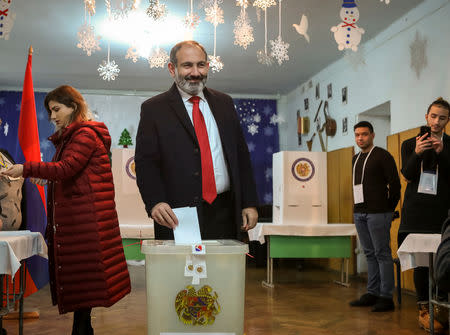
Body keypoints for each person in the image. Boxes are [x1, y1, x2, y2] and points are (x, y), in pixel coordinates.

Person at [1, 85, 131, 335]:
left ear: (74, 106)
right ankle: (83, 329)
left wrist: (27, 169)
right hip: (83, 220)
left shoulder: (84, 134)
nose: (52, 117)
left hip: (85, 222)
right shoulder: (76, 136)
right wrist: (47, 176)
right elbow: (70, 172)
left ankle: (82, 330)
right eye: (50, 111)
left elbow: (66, 168)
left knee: (84, 283)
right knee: (84, 284)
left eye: (57, 109)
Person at [135, 40, 259, 240]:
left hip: (226, 211)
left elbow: (241, 157)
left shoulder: (225, 103)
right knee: (181, 271)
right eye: (187, 65)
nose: (195, 72)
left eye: (200, 64)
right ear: (171, 69)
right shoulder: (153, 109)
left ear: (207, 66)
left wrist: (249, 202)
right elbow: (145, 163)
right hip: (177, 214)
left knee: (223, 271)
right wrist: (155, 201)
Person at [399, 97, 450, 333]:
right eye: (433, 116)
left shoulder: (449, 144)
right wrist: (418, 153)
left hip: (442, 210)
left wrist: (442, 154)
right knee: (421, 262)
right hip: (416, 210)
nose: (437, 122)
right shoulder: (410, 143)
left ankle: (442, 305)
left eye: (442, 118)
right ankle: (423, 308)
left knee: (444, 260)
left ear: (447, 120)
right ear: (426, 116)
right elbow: (408, 175)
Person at [349, 121, 401, 312]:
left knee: (382, 254)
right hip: (360, 212)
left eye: (364, 134)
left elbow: (395, 185)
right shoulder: (355, 159)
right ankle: (372, 293)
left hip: (378, 213)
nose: (360, 138)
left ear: (372, 135)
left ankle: (386, 297)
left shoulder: (382, 155)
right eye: (357, 135)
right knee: (369, 253)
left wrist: (388, 210)